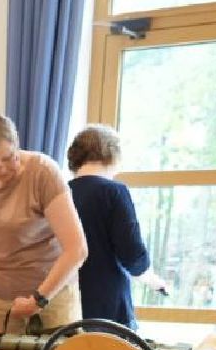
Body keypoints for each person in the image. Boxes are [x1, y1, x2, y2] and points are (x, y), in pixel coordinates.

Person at [0, 112, 87, 335]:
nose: (2, 168)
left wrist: (40, 298)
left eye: (9, 158)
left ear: (16, 144)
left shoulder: (43, 172)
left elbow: (77, 249)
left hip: (53, 299)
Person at [66, 123, 162, 327]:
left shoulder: (61, 193)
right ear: (113, 155)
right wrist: (152, 279)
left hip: (65, 301)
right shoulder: (114, 192)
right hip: (107, 305)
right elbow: (131, 253)